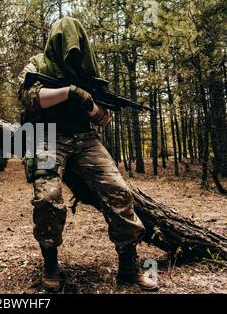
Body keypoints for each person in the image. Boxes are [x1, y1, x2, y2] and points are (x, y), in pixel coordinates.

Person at [18, 17, 159, 292]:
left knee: (119, 191)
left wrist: (89, 104)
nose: (70, 51)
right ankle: (50, 264)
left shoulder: (89, 74)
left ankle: (129, 267)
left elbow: (104, 119)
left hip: (84, 139)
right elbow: (29, 98)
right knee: (47, 197)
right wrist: (70, 92)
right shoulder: (37, 64)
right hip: (46, 136)